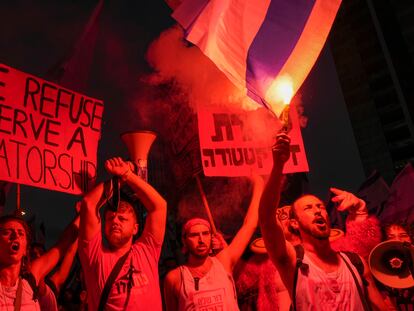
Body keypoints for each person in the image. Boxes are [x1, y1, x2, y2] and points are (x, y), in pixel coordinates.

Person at [259, 133, 387, 310]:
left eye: (320, 206)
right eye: (308, 208)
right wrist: (278, 166)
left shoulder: (355, 262)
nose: (318, 210)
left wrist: (360, 210)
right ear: (294, 223)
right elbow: (266, 218)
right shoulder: (291, 262)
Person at [163, 174, 264, 311]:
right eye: (194, 235)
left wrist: (258, 184)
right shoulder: (174, 278)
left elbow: (250, 224)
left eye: (205, 234)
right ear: (184, 240)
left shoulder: (223, 262)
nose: (201, 239)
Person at [78, 157, 167, 311]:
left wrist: (128, 175)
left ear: (135, 228)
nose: (115, 222)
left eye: (122, 218)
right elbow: (89, 204)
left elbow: (159, 206)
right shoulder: (94, 256)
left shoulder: (147, 250)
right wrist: (119, 180)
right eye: (110, 218)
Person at [0, 213, 78, 309]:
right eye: (7, 232)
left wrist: (87, 209)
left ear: (25, 250)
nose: (15, 236)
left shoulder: (30, 280)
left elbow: (64, 243)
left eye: (21, 233)